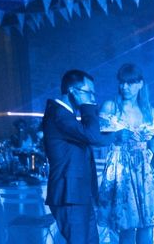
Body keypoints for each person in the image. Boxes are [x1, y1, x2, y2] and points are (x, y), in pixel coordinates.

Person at [42, 69, 111, 244]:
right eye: (89, 93)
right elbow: (93, 136)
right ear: (73, 90)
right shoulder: (59, 114)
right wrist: (88, 107)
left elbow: (89, 137)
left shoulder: (67, 116)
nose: (92, 98)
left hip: (78, 193)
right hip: (69, 194)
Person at [98, 63, 154, 244]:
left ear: (140, 83)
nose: (124, 87)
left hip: (144, 169)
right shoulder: (111, 107)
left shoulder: (149, 111)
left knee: (147, 224)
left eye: (130, 83)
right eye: (122, 83)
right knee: (126, 225)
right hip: (121, 168)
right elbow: (98, 139)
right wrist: (115, 136)